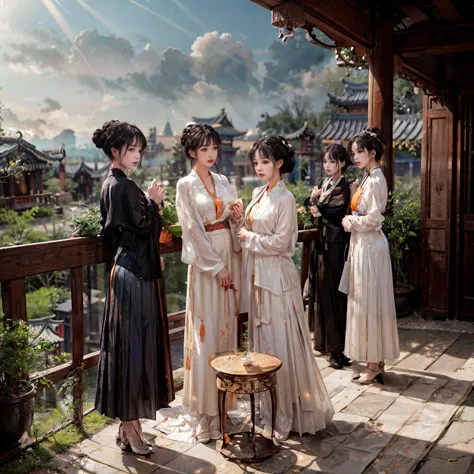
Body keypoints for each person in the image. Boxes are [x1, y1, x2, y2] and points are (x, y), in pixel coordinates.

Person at [238, 136, 334, 441]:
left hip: (276, 278)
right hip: (256, 275)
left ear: (280, 162)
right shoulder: (257, 193)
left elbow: (284, 243)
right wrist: (235, 221)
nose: (259, 168)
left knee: (279, 342)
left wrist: (247, 237)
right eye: (256, 162)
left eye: (265, 161)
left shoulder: (285, 198)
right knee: (262, 341)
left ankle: (285, 413)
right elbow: (247, 230)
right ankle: (266, 410)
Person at [93, 120, 174, 456]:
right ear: (116, 151)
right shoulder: (123, 186)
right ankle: (130, 428)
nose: (137, 154)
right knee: (133, 351)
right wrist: (154, 202)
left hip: (124, 269)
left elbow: (119, 232)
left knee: (128, 349)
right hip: (133, 275)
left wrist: (149, 205)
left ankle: (130, 430)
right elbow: (143, 228)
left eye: (140, 149)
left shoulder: (111, 183)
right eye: (132, 149)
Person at [177, 122, 243, 443]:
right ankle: (203, 415)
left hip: (226, 256)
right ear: (192, 152)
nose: (211, 154)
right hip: (207, 267)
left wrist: (238, 216)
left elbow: (231, 219)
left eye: (214, 148)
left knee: (225, 330)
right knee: (204, 335)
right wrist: (217, 267)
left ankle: (224, 407)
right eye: (204, 149)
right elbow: (191, 230)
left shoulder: (223, 180)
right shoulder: (185, 185)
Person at [342, 127, 400, 384]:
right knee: (365, 300)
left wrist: (351, 222)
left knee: (369, 301)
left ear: (372, 153)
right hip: (362, 244)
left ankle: (374, 362)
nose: (355, 156)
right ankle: (373, 358)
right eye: (353, 152)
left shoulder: (376, 180)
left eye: (359, 152)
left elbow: (375, 218)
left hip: (369, 244)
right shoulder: (368, 178)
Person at [306, 144, 351, 370]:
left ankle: (338, 349)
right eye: (325, 162)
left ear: (342, 163)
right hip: (323, 244)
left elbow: (336, 214)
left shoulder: (343, 186)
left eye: (332, 161)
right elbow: (312, 204)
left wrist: (318, 208)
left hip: (335, 244)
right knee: (322, 292)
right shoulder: (326, 184)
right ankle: (324, 343)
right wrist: (313, 201)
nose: (327, 166)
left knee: (335, 295)